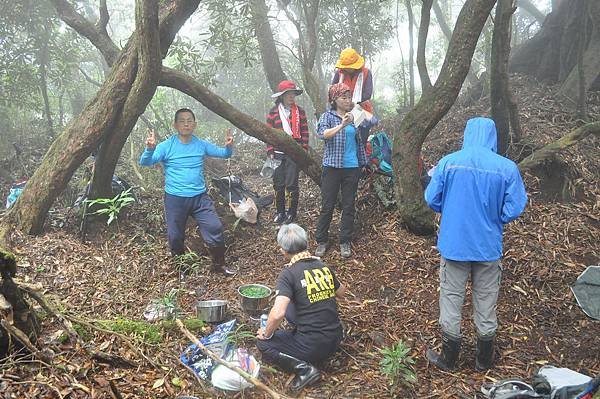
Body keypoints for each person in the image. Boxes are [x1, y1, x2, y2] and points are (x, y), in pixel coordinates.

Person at [424, 117, 527, 371]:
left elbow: (431, 198)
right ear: (493, 136)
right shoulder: (507, 168)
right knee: (486, 299)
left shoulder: (448, 163)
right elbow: (515, 207)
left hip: (454, 245)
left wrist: (447, 210)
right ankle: (484, 360)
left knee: (451, 297)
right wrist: (496, 218)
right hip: (487, 246)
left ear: (467, 134)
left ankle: (449, 358)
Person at [139, 108, 235, 277]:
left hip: (199, 197)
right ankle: (182, 269)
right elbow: (145, 162)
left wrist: (228, 147)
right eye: (182, 121)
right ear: (176, 125)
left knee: (214, 226)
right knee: (175, 236)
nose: (186, 124)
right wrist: (149, 148)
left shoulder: (200, 144)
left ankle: (218, 265)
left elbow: (223, 154)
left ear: (195, 124)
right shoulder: (166, 146)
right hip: (175, 199)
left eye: (189, 120)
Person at [256, 223, 346, 392]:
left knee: (263, 344)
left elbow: (278, 314)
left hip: (311, 346)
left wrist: (266, 334)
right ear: (306, 243)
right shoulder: (323, 267)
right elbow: (341, 292)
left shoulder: (288, 274)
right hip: (335, 339)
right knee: (295, 301)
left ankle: (304, 370)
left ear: (283, 250)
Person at [314, 83, 377, 259]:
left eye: (349, 97)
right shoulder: (328, 116)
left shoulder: (354, 115)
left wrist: (360, 110)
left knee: (349, 205)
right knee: (328, 205)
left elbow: (374, 121)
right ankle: (322, 240)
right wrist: (342, 125)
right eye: (344, 97)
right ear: (334, 100)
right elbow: (322, 134)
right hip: (332, 167)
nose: (347, 100)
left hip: (352, 166)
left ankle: (345, 241)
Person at [266, 80, 310, 225]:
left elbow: (304, 131)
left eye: (293, 94)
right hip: (277, 153)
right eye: (288, 94)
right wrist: (270, 150)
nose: (291, 97)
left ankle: (291, 213)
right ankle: (280, 212)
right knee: (278, 184)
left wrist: (303, 149)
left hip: (293, 152)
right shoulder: (273, 113)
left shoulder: (300, 112)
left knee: (291, 184)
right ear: (282, 96)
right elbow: (268, 134)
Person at [332, 47, 374, 144]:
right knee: (344, 140)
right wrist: (343, 103)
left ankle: (361, 158)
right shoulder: (339, 73)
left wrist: (352, 103)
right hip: (342, 111)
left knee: (361, 140)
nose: (347, 68)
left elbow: (367, 94)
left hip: (361, 110)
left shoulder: (366, 73)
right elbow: (333, 91)